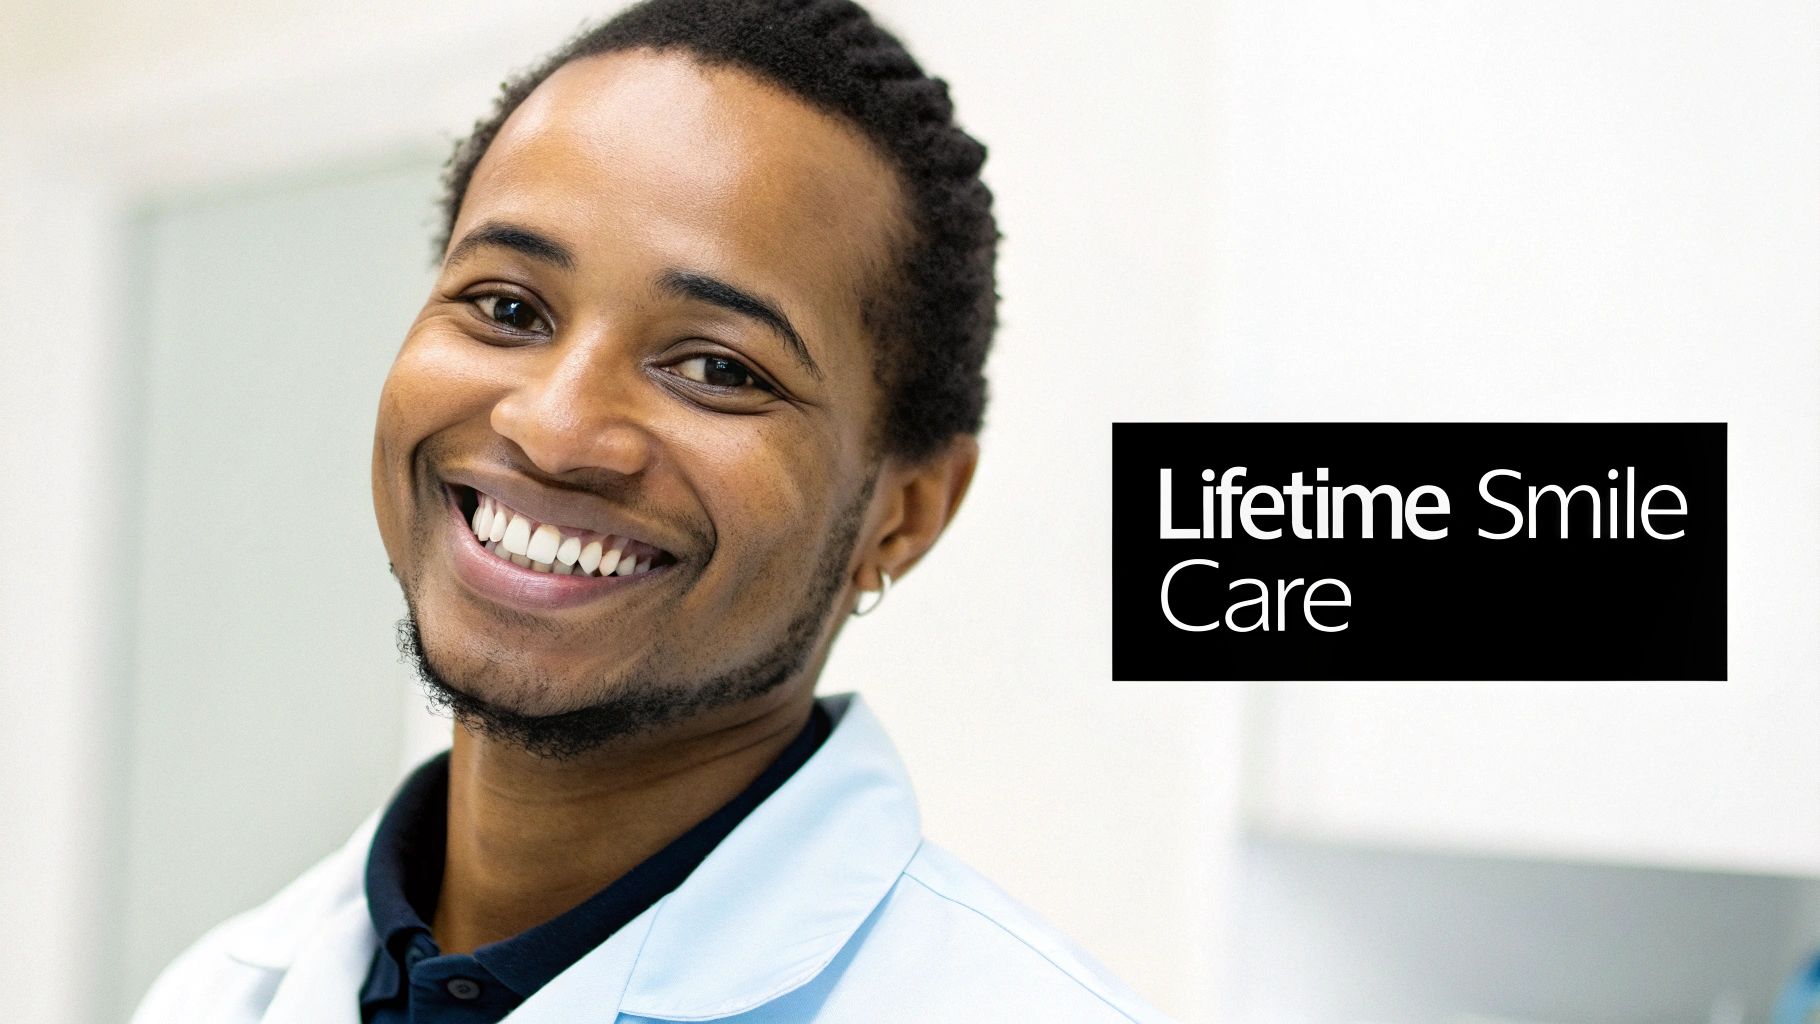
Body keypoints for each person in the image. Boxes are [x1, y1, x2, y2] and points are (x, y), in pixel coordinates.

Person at [130, 0, 1170, 1020]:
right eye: (506, 307)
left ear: (903, 513)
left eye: (716, 366)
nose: (554, 426)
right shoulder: (213, 996)